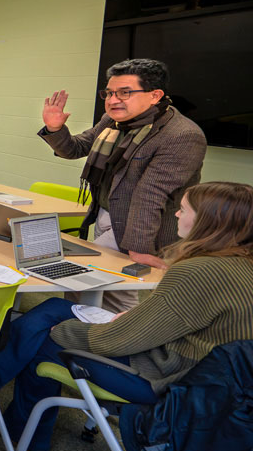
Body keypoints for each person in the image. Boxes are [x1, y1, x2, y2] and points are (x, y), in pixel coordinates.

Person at [0, 181, 253, 451]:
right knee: (55, 306)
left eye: (183, 210)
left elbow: (118, 340)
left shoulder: (198, 272)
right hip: (215, 387)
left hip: (169, 382)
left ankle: (25, 434)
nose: (175, 214)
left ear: (209, 223)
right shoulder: (241, 264)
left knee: (45, 338)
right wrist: (135, 319)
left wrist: (65, 332)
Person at [38, 58, 206, 311]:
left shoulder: (181, 135)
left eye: (125, 92)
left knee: (109, 289)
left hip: (142, 225)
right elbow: (76, 149)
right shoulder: (112, 121)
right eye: (110, 92)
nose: (113, 99)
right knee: (91, 284)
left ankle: (110, 339)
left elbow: (149, 195)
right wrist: (55, 127)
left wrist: (137, 248)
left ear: (155, 95)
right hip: (108, 215)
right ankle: (79, 328)